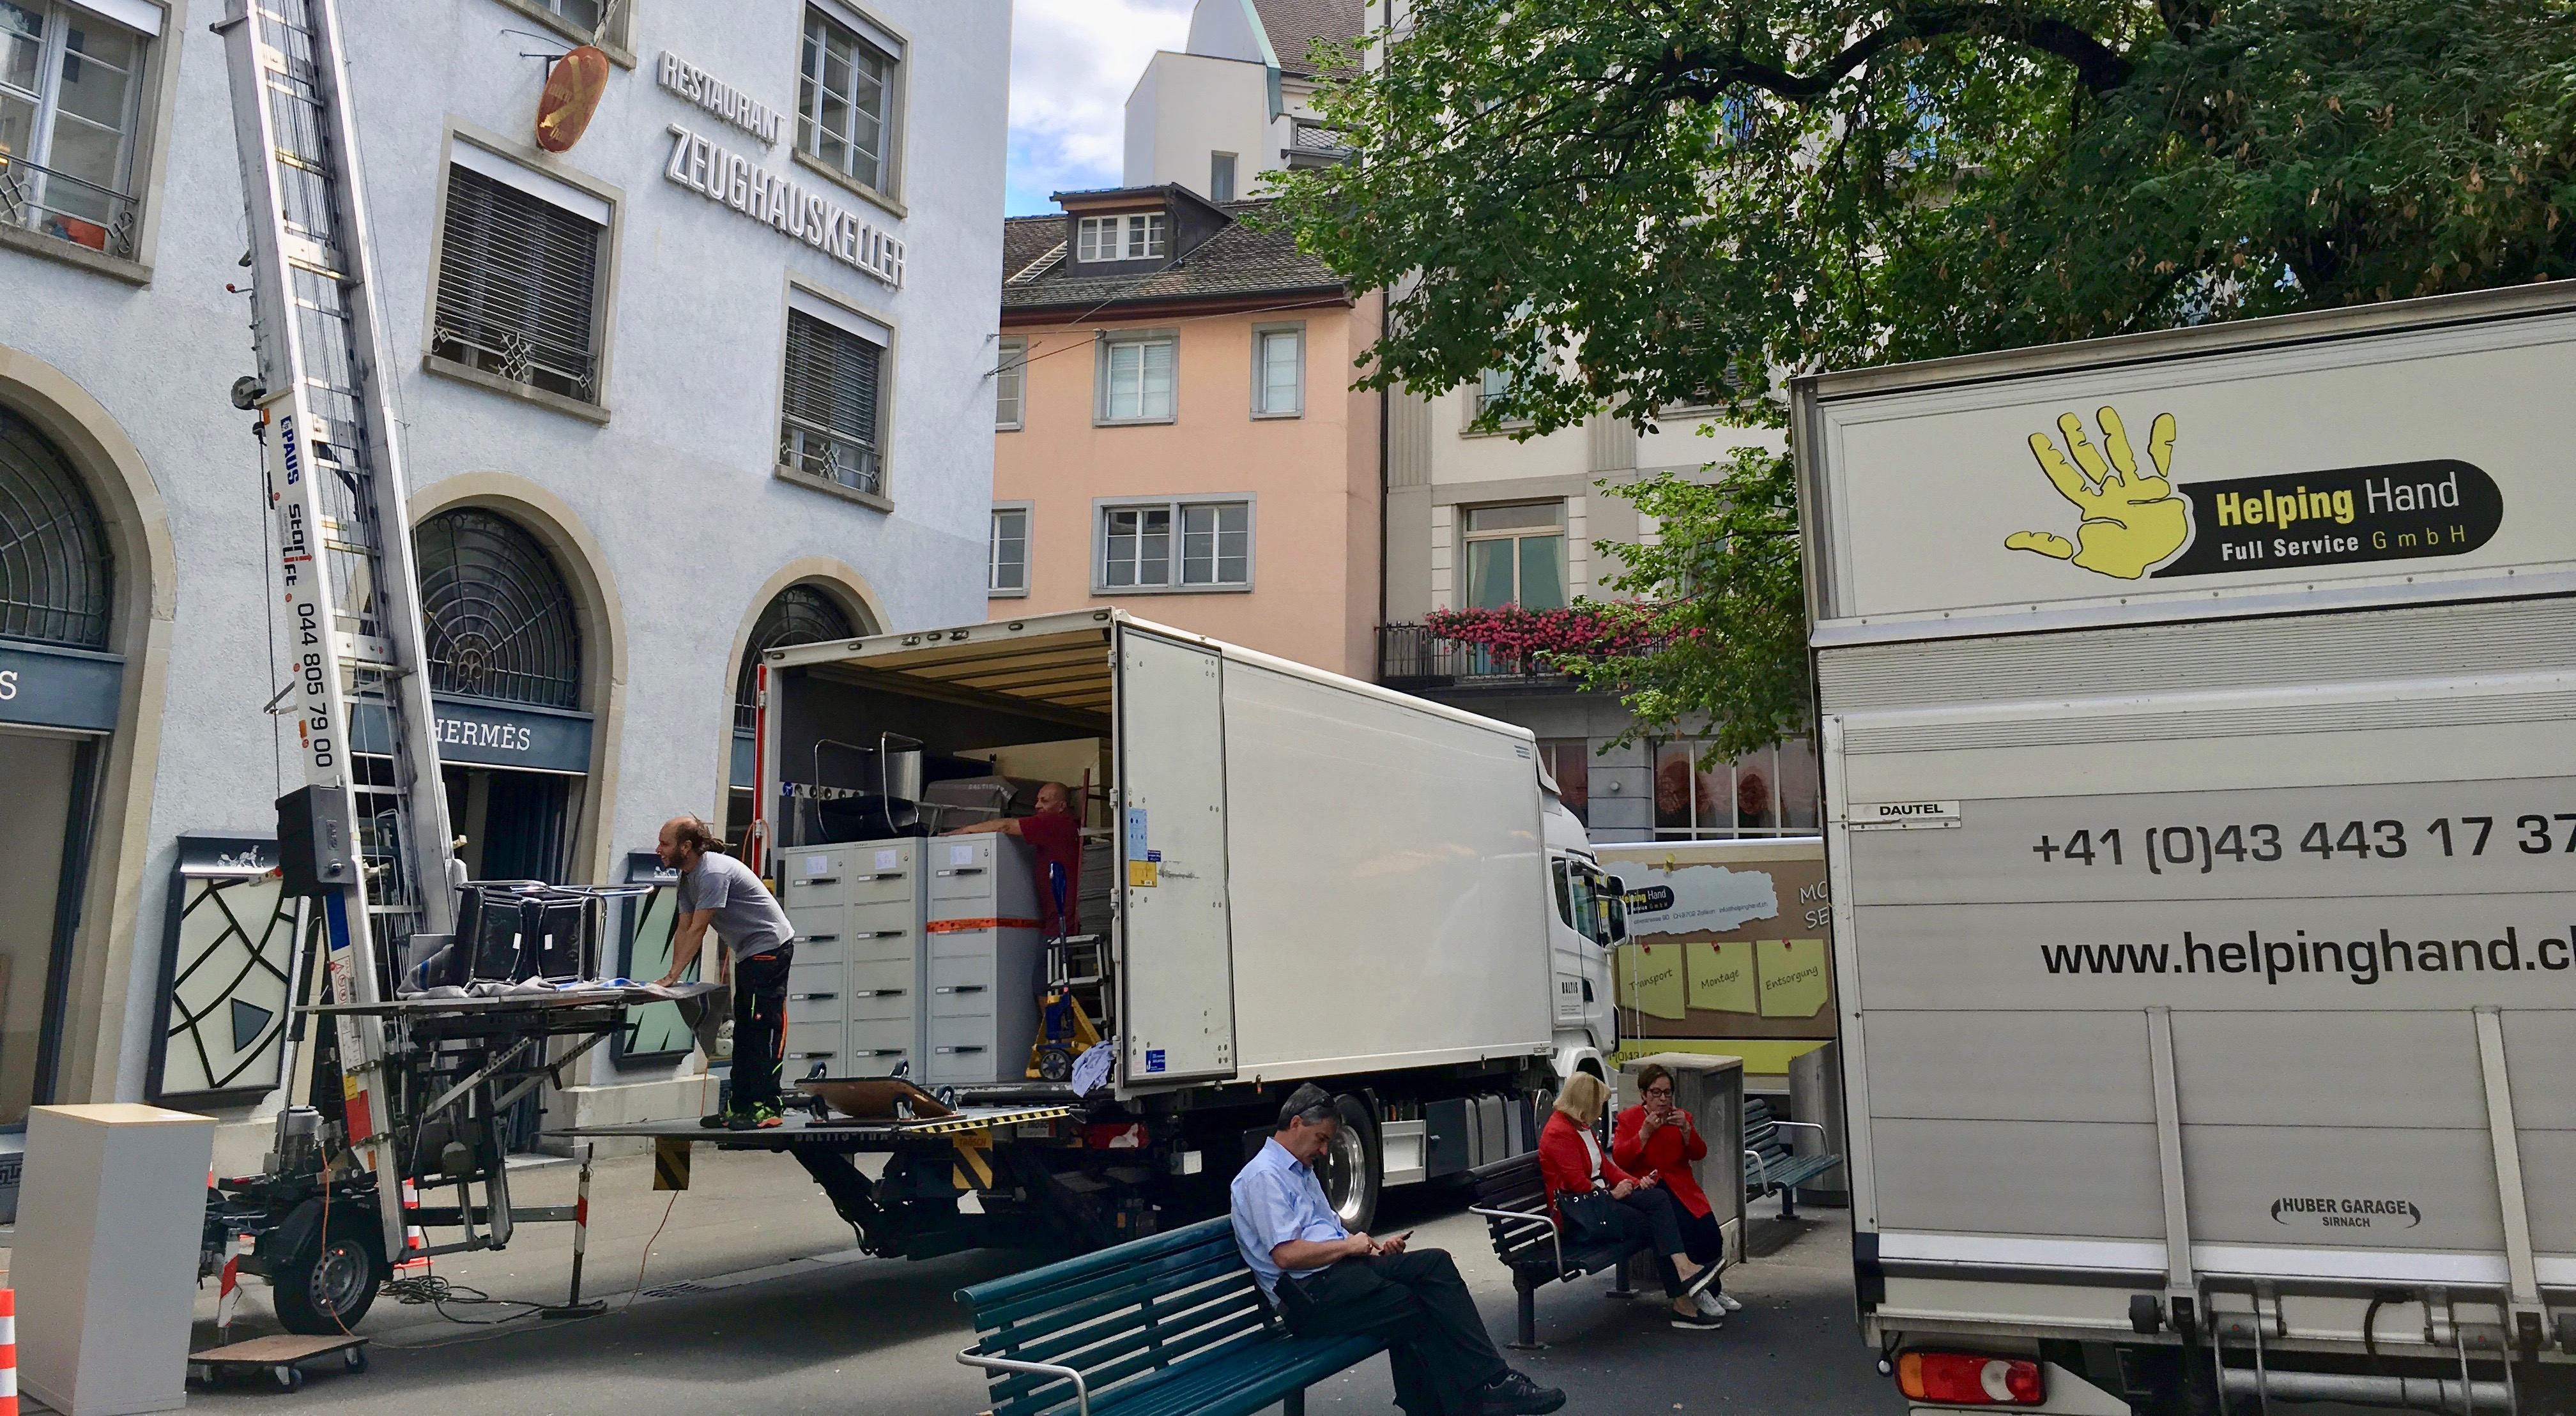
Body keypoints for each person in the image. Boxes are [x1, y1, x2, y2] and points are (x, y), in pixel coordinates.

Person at [1231, 1084, 1565, 1415]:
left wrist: (1375, 1251)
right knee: (1419, 1306)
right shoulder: (1264, 1176)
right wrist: (1349, 1245)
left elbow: (1327, 1235)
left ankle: (1490, 1385)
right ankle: (1482, 1392)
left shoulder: (1300, 1171)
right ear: (1296, 1124)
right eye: (1321, 1139)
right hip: (1309, 1298)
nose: (1322, 1152)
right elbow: (1287, 1255)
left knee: (1435, 1264)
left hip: (1339, 1277)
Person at [1537, 1071, 1726, 1330]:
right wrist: (1612, 1194)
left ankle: (1685, 1274)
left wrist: (1636, 1183)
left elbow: (1607, 1167)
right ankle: (1683, 1298)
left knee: (1658, 1200)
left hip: (1598, 1203)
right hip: (1580, 1216)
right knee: (1654, 1224)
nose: (1600, 1111)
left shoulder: (1579, 1125)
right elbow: (1576, 1183)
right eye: (1598, 1104)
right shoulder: (1559, 1132)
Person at [653, 816, 794, 1130]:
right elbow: (684, 927)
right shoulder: (687, 877)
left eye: (665, 843)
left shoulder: (713, 872)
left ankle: (767, 1106)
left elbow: (700, 929)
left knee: (762, 1026)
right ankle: (739, 1106)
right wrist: (671, 974)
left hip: (770, 947)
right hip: (748, 952)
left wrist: (674, 975)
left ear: (686, 847)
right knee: (743, 1027)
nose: (658, 849)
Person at [1611, 1063, 1744, 1315]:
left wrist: (1686, 1130)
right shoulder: (1629, 1119)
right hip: (1650, 1188)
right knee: (1681, 1233)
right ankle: (1694, 1294)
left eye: (1667, 1093)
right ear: (1643, 1095)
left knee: (1710, 1235)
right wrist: (1644, 1134)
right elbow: (1620, 1158)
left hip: (1682, 1186)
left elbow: (1699, 1153)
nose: (1663, 1099)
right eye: (1656, 1093)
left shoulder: (1681, 1117)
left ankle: (1713, 1289)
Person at [941, 780, 1082, 936]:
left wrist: (966, 830)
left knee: (1057, 953)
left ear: (1062, 806)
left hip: (1061, 911)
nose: (1037, 806)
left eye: (1045, 801)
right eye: (1037, 800)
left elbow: (1006, 826)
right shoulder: (1070, 826)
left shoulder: (1055, 822)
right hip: (1060, 910)